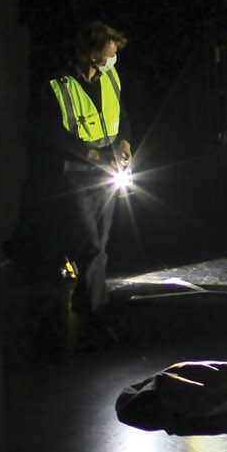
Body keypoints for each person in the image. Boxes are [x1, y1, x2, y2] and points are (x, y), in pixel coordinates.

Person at [26, 21, 132, 317]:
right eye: (109, 52)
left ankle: (86, 309)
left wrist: (125, 143)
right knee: (93, 246)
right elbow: (48, 135)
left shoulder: (110, 77)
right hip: (76, 176)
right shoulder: (58, 85)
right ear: (92, 54)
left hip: (108, 174)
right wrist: (92, 154)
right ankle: (97, 312)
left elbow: (122, 115)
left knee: (101, 244)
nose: (113, 58)